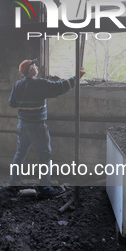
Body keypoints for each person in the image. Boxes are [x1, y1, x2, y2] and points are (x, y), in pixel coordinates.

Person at [8, 58, 85, 197]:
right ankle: (45, 188)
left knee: (20, 154)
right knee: (45, 156)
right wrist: (76, 78)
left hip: (22, 125)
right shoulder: (40, 83)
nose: (37, 67)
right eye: (34, 65)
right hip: (37, 127)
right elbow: (60, 87)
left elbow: (12, 103)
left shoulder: (17, 85)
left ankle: (14, 182)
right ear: (31, 69)